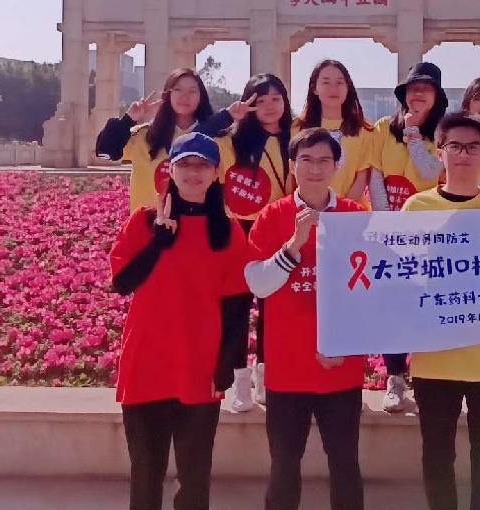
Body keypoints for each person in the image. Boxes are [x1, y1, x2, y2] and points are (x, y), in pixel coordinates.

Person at [109, 132, 250, 510]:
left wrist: (228, 365)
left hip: (199, 366)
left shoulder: (228, 231)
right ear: (169, 169)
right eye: (185, 164)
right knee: (146, 474)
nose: (193, 172)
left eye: (202, 165)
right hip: (146, 364)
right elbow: (122, 283)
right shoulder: (143, 222)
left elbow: (238, 306)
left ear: (216, 173)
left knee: (195, 477)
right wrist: (158, 242)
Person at [245, 127, 368, 510]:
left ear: (336, 166)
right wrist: (294, 244)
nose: (315, 169)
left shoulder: (355, 216)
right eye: (306, 160)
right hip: (287, 369)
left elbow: (370, 294)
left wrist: (344, 344)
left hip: (340, 367)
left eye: (324, 160)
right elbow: (258, 284)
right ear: (292, 165)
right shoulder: (272, 215)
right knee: (284, 464)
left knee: (345, 463)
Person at [402, 111, 480, 510]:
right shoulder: (416, 208)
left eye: (473, 147)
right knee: (437, 456)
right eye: (455, 146)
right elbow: (401, 278)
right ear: (440, 151)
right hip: (435, 359)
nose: (464, 154)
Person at [368, 61, 449, 412]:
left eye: (426, 90)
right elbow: (375, 174)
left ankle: (429, 378)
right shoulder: (384, 128)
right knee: (392, 306)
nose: (418, 95)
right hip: (389, 231)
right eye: (413, 89)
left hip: (427, 231)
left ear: (437, 97)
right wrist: (388, 221)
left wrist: (415, 134)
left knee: (426, 304)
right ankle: (395, 377)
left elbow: (431, 172)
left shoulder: (442, 134)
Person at [216, 72, 295, 412]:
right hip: (237, 232)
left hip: (275, 232)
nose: (269, 106)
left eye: (276, 99)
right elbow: (190, 141)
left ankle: (265, 379)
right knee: (235, 310)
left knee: (272, 311)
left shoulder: (295, 139)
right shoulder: (231, 141)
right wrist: (226, 116)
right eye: (260, 100)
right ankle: (240, 384)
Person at [95, 67, 254, 212]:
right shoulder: (145, 136)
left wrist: (227, 119)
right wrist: (128, 119)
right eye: (177, 89)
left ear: (201, 97)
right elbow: (105, 152)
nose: (185, 96)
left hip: (198, 228)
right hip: (147, 228)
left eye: (192, 91)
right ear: (168, 94)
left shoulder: (219, 139)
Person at [293, 59, 374, 204]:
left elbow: (362, 177)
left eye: (339, 83)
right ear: (314, 88)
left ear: (348, 88)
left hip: (351, 211)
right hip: (307, 210)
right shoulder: (298, 128)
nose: (333, 89)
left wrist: (340, 209)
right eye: (326, 82)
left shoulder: (364, 129)